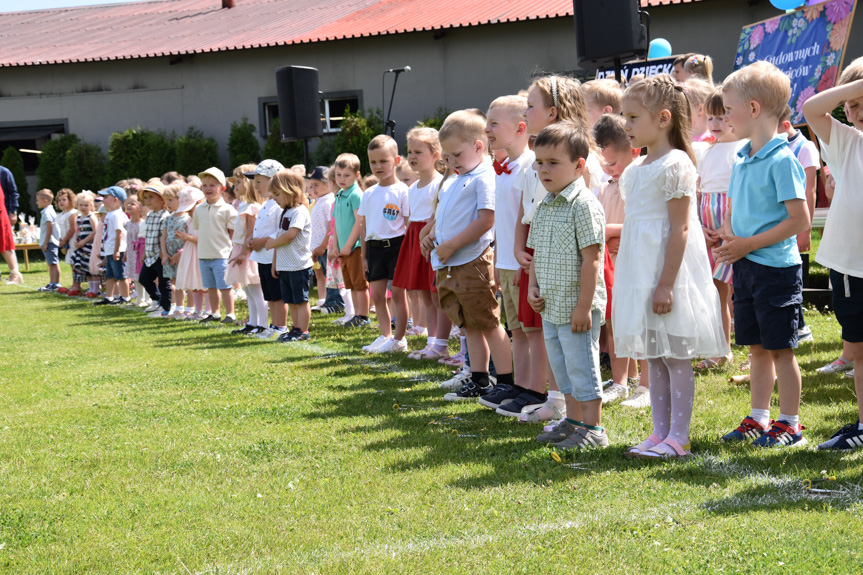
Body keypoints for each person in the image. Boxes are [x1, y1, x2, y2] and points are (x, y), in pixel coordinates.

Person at [613, 74, 727, 459]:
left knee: (675, 354)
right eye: (623, 117)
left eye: (632, 118)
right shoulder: (635, 169)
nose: (625, 126)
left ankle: (679, 436)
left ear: (662, 119)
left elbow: (679, 229)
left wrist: (665, 284)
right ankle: (659, 432)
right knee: (653, 354)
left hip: (668, 273)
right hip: (641, 271)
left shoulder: (676, 164)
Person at [717, 61, 810, 448]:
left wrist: (748, 244)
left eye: (728, 108)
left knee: (780, 350)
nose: (724, 117)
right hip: (747, 268)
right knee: (756, 347)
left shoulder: (782, 159)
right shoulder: (740, 157)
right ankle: (758, 418)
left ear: (753, 109)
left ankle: (789, 424)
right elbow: (735, 209)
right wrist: (726, 233)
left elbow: (799, 220)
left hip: (775, 271)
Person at [420, 110, 515, 401]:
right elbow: (445, 215)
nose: (451, 163)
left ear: (478, 146)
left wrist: (451, 246)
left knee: (487, 322)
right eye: (447, 157)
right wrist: (431, 233)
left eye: (456, 155)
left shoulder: (484, 177)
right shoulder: (455, 178)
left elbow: (487, 220)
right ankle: (480, 379)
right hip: (451, 263)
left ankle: (508, 382)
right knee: (468, 324)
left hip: (473, 261)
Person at [527, 122, 608, 450]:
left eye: (553, 163)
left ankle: (594, 429)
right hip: (551, 306)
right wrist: (533, 287)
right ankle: (574, 422)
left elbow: (592, 260)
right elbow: (536, 252)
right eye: (540, 162)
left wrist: (583, 306)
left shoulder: (583, 204)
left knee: (582, 368)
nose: (544, 170)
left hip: (577, 308)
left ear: (578, 165)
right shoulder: (545, 203)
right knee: (563, 370)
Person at [803, 56, 863, 449]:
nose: (860, 111)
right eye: (855, 103)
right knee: (860, 352)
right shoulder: (847, 143)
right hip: (849, 266)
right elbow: (811, 108)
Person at [479, 94, 551, 414]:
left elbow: (528, 217)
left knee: (533, 329)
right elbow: (502, 220)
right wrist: (496, 256)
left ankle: (536, 388)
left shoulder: (530, 166)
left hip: (523, 262)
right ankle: (518, 385)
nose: (487, 128)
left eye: (494, 123)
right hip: (506, 262)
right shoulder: (502, 168)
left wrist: (519, 256)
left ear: (521, 127)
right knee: (517, 329)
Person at [592, 114, 649, 405]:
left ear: (634, 151)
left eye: (612, 163)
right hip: (610, 263)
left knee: (641, 325)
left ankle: (646, 386)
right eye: (604, 164)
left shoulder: (638, 181)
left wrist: (608, 231)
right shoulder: (606, 186)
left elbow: (642, 225)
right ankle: (621, 381)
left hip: (634, 261)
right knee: (615, 323)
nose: (608, 170)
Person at [693, 89, 745, 370]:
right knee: (716, 291)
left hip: (734, 223)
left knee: (745, 290)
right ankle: (721, 348)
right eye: (711, 117)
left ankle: (755, 351)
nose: (715, 123)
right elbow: (700, 192)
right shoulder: (706, 151)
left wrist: (728, 225)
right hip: (709, 226)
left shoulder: (744, 148)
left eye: (723, 116)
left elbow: (739, 192)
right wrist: (702, 226)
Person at [398, 127, 448, 360]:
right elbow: (411, 219)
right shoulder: (411, 188)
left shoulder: (440, 184)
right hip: (415, 241)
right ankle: (431, 341)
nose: (412, 157)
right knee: (424, 294)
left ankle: (442, 342)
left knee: (437, 295)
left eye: (419, 151)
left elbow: (439, 217)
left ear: (436, 155)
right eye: (410, 151)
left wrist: (427, 237)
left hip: (432, 241)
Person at [358, 135, 411, 354]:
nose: (378, 166)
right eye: (373, 162)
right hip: (375, 248)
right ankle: (385, 335)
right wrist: (363, 256)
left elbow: (408, 224)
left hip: (398, 247)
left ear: (396, 160)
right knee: (377, 295)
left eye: (384, 161)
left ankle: (399, 338)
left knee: (398, 293)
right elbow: (364, 225)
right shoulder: (369, 193)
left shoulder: (403, 191)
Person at [779, 104, 821, 344]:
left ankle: (801, 326)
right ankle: (799, 324)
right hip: (777, 226)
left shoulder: (805, 147)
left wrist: (805, 231)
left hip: (794, 224)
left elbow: (810, 191)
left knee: (790, 278)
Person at [265, 170, 313, 342]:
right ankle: (296, 328)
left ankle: (304, 330)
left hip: (298, 265)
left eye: (277, 194)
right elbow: (281, 236)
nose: (275, 199)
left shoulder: (299, 211)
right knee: (291, 300)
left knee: (301, 300)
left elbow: (291, 234)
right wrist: (275, 264)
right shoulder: (285, 212)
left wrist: (272, 243)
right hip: (285, 265)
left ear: (290, 191)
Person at [244, 160, 289, 339]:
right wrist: (251, 240)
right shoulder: (265, 204)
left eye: (258, 181)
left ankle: (281, 326)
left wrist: (260, 242)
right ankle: (274, 325)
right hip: (262, 257)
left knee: (277, 294)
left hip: (273, 257)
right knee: (269, 295)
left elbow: (278, 232)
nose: (255, 186)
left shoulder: (279, 206)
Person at [194, 167, 238, 324]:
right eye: (205, 185)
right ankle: (215, 312)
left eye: (213, 185)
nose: (208, 189)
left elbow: (232, 234)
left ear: (222, 188)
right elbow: (199, 230)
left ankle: (231, 314)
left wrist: (232, 252)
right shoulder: (198, 209)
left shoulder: (228, 210)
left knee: (225, 287)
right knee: (210, 287)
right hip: (204, 254)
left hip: (222, 254)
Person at [332, 153, 370, 327]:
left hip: (354, 247)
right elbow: (336, 224)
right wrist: (335, 245)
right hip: (344, 248)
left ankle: (364, 316)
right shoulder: (340, 194)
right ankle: (356, 314)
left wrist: (348, 245)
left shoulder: (356, 194)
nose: (341, 179)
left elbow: (360, 221)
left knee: (360, 284)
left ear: (356, 175)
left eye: (346, 175)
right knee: (351, 285)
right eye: (338, 175)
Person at [225, 164, 264, 333]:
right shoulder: (242, 205)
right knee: (248, 290)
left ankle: (262, 324)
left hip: (248, 252)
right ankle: (252, 323)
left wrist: (243, 253)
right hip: (240, 249)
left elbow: (251, 233)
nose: (236, 186)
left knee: (256, 291)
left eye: (240, 182)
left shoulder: (253, 208)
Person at [307, 166, 343, 315]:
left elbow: (331, 226)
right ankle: (329, 301)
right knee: (327, 276)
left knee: (332, 276)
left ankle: (337, 303)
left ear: (329, 183)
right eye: (311, 185)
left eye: (316, 185)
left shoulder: (329, 201)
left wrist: (323, 246)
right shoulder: (318, 201)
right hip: (319, 248)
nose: (313, 189)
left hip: (327, 247)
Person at [173, 187, 207, 320]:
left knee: (204, 284)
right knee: (195, 284)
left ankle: (208, 310)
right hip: (191, 254)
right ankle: (197, 310)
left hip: (201, 253)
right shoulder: (190, 220)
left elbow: (205, 240)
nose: (189, 213)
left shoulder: (204, 220)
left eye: (191, 209)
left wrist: (187, 238)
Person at [139, 181, 172, 315]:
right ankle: (157, 300)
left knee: (164, 283)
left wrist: (163, 253)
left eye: (151, 197)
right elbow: (149, 235)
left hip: (160, 255)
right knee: (144, 279)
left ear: (162, 199)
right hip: (150, 254)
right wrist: (145, 253)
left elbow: (165, 237)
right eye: (145, 198)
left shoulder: (165, 216)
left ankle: (166, 307)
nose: (147, 201)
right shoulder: (150, 215)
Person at [93, 186, 130, 305]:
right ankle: (109, 297)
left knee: (121, 275)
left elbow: (119, 233)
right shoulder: (110, 214)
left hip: (117, 250)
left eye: (106, 197)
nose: (103, 199)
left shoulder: (117, 215)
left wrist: (117, 251)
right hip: (110, 251)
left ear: (116, 199)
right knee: (109, 276)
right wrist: (106, 256)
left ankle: (125, 297)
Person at [157, 184, 190, 316]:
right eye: (166, 200)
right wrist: (164, 254)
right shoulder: (168, 219)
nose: (167, 203)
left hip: (182, 254)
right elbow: (163, 237)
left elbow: (188, 238)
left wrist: (180, 253)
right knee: (173, 283)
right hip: (170, 255)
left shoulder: (187, 218)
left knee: (184, 282)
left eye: (171, 200)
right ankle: (176, 306)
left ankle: (187, 308)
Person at [123, 195, 149, 306]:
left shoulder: (143, 223)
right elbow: (127, 240)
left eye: (132, 204)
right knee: (135, 276)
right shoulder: (127, 224)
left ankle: (148, 298)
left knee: (144, 276)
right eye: (128, 203)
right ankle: (140, 298)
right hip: (131, 253)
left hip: (141, 253)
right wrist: (125, 252)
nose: (129, 205)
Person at [36, 189, 61, 292]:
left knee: (53, 263)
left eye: (38, 200)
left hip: (50, 242)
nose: (37, 202)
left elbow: (50, 228)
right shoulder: (47, 211)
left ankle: (55, 283)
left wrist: (46, 242)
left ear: (45, 201)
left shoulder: (47, 213)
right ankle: (52, 283)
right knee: (51, 264)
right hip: (49, 242)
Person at [54, 188, 78, 293]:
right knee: (71, 263)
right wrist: (60, 239)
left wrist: (64, 240)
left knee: (75, 263)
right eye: (59, 200)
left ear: (71, 200)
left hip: (72, 240)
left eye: (64, 199)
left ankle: (76, 285)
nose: (61, 202)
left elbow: (73, 229)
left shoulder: (73, 213)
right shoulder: (60, 215)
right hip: (65, 241)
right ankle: (74, 284)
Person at [0, 177, 23, 285]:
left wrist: (13, 211)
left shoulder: (3, 172)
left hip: (1, 215)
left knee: (5, 245)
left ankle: (15, 274)